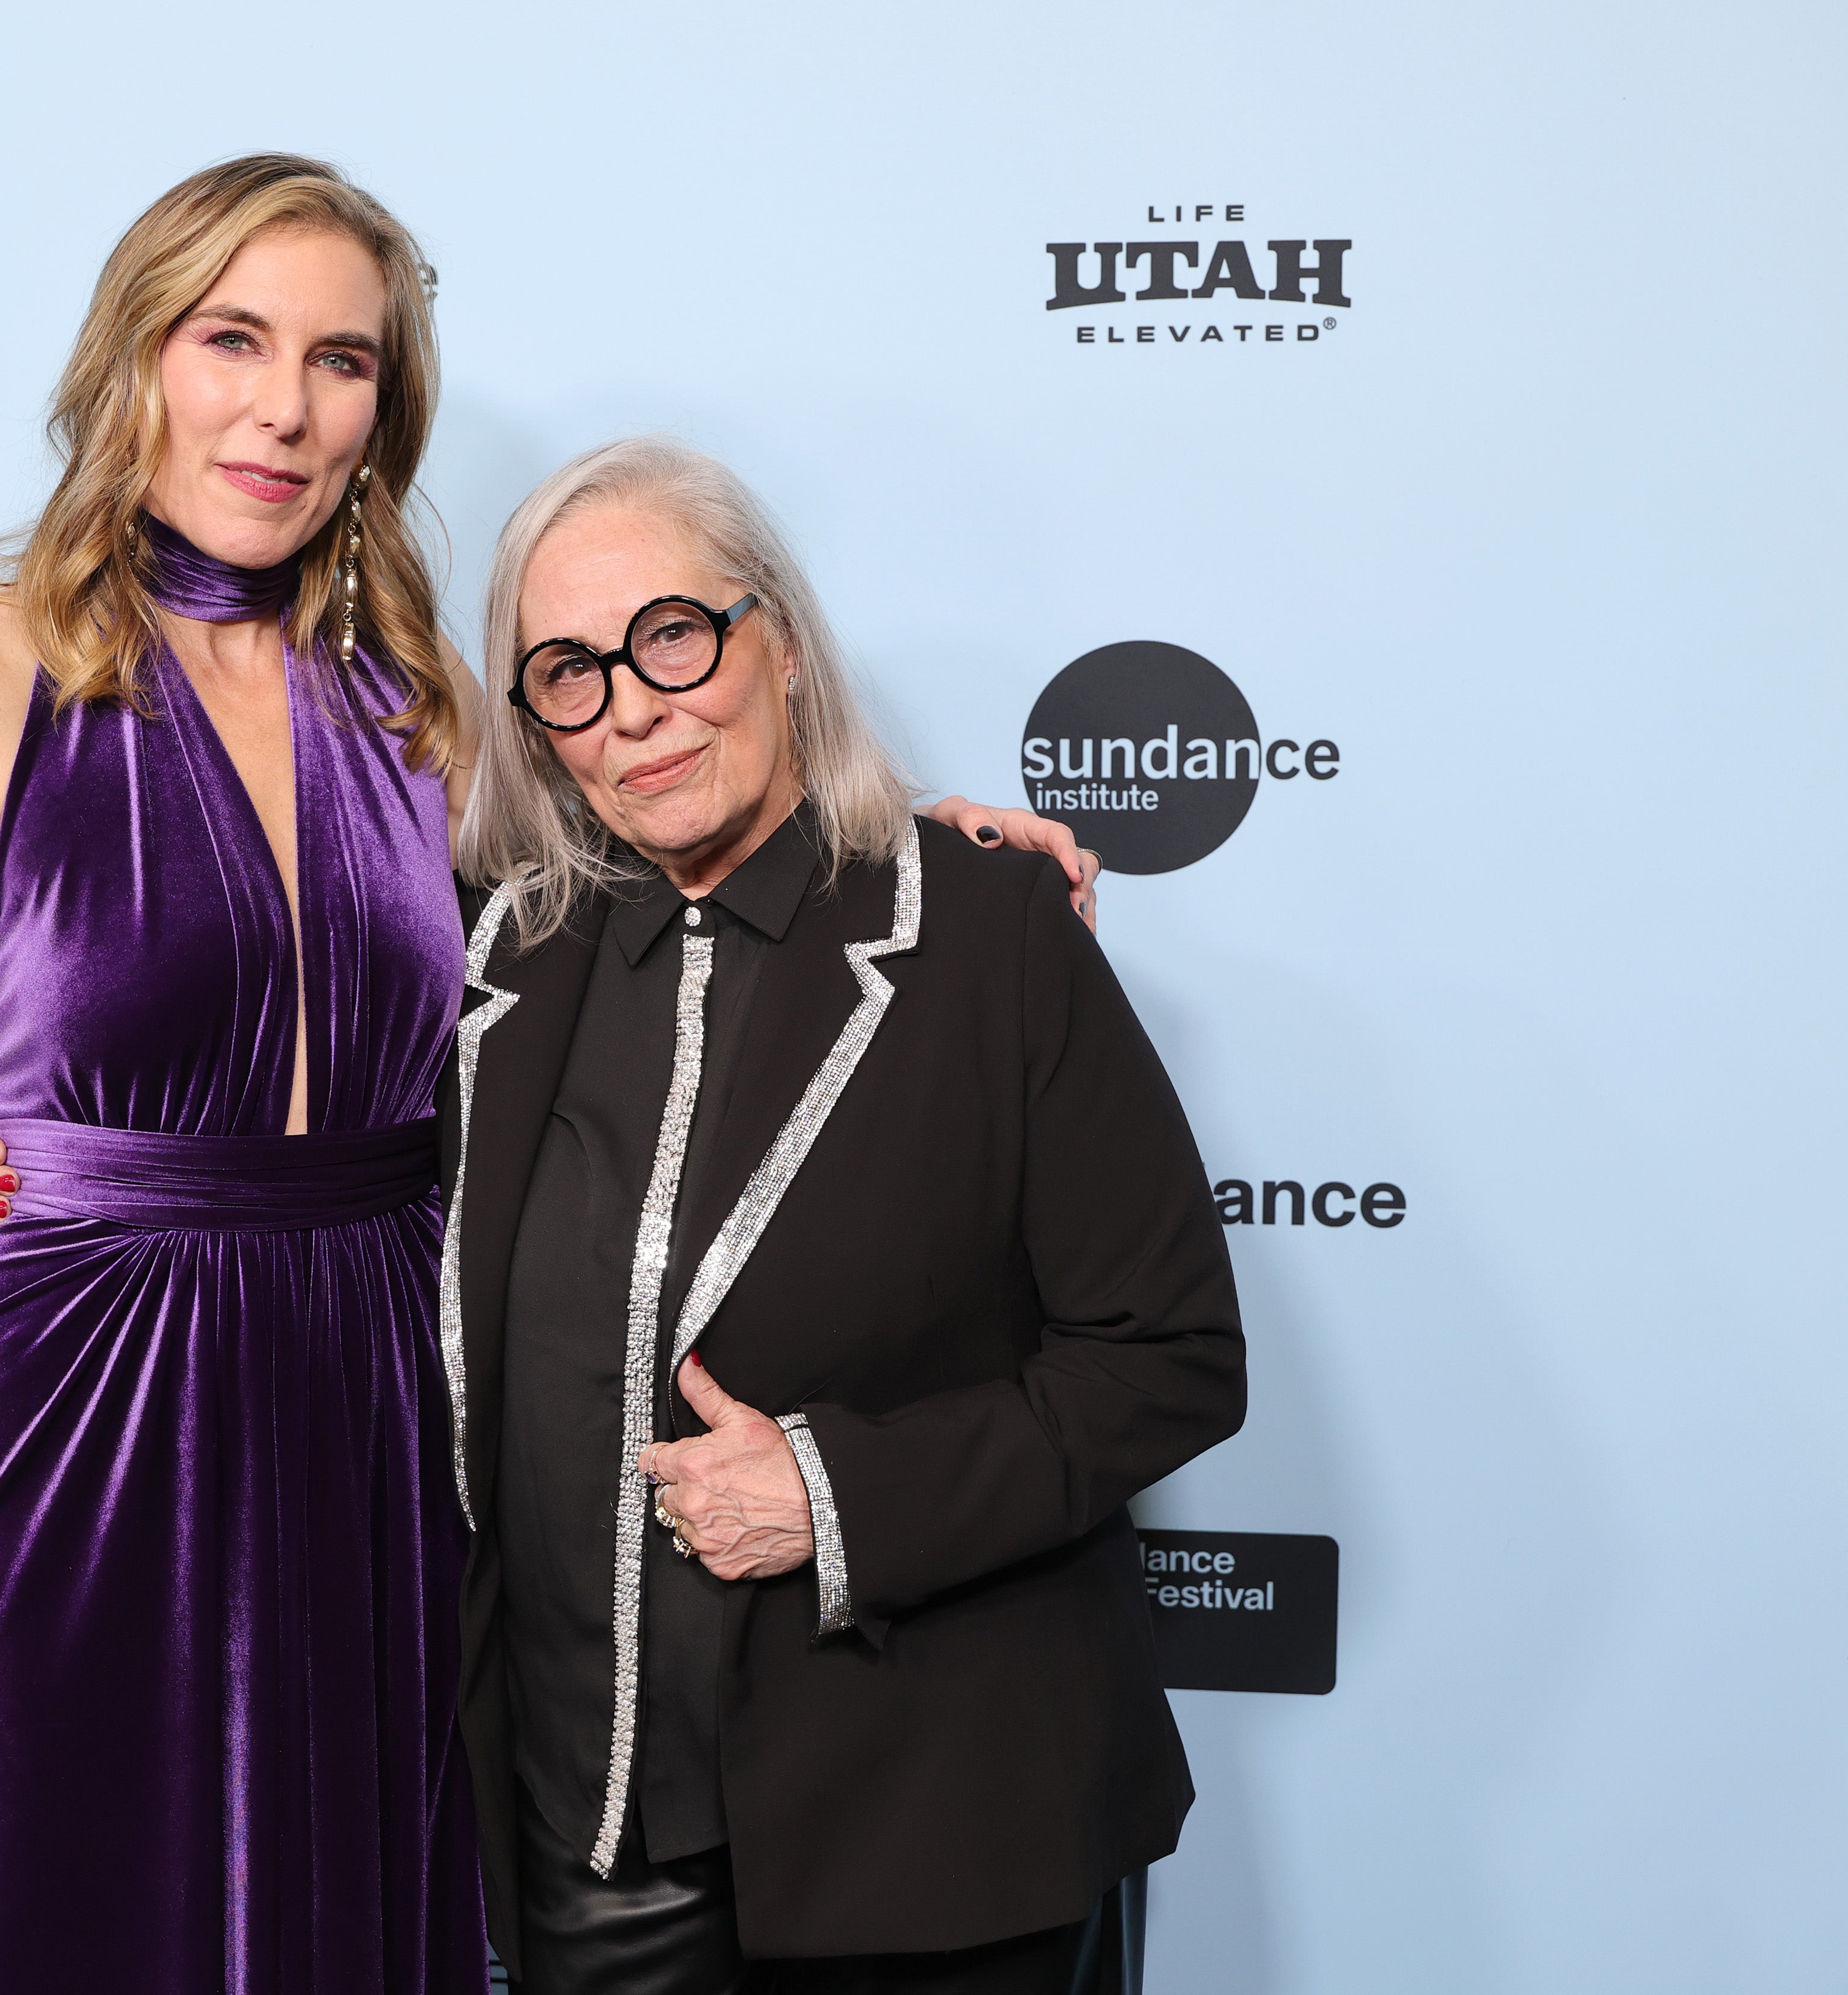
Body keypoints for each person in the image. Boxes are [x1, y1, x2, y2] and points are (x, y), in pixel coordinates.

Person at [0, 156, 1083, 1993]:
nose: (282, 405)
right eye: (230, 339)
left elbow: (708, 855)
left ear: (381, 414)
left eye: (340, 361)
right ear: (135, 359)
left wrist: (928, 852)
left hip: (386, 1403)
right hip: (72, 1413)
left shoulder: (434, 714)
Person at [435, 437, 1245, 1992]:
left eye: (674, 635)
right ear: (539, 728)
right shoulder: (491, 969)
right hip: (578, 1856)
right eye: (568, 672)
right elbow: (258, 1175)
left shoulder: (988, 929)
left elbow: (1167, 1358)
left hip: (933, 1841)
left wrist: (836, 1496)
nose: (637, 706)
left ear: (778, 642)